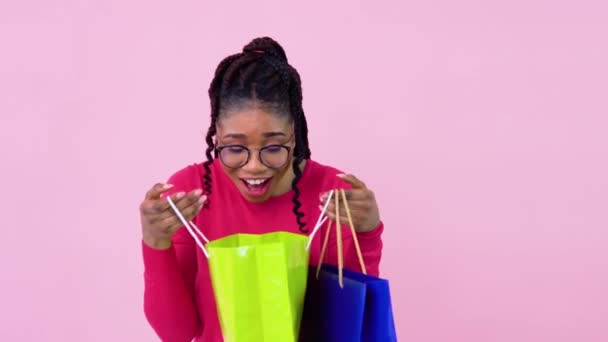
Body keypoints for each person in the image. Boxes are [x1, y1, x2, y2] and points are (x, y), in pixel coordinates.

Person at [139, 37, 385, 342]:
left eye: (272, 147)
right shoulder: (188, 195)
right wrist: (154, 242)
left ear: (294, 136)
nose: (254, 166)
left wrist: (368, 232)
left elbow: (349, 326)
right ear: (215, 135)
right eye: (234, 147)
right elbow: (176, 333)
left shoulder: (334, 194)